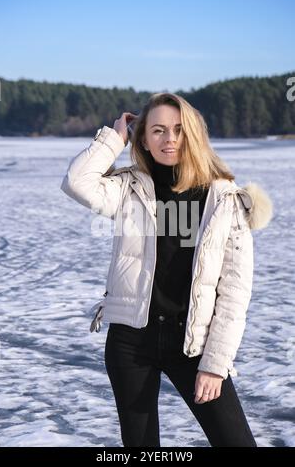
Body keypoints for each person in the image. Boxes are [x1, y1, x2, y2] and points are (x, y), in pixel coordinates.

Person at [60, 92, 273, 447]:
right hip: (131, 342)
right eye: (157, 130)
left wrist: (215, 364)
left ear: (192, 134)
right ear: (143, 138)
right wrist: (113, 138)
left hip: (192, 345)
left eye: (178, 129)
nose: (169, 139)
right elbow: (76, 182)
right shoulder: (129, 188)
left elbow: (234, 292)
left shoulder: (224, 199)